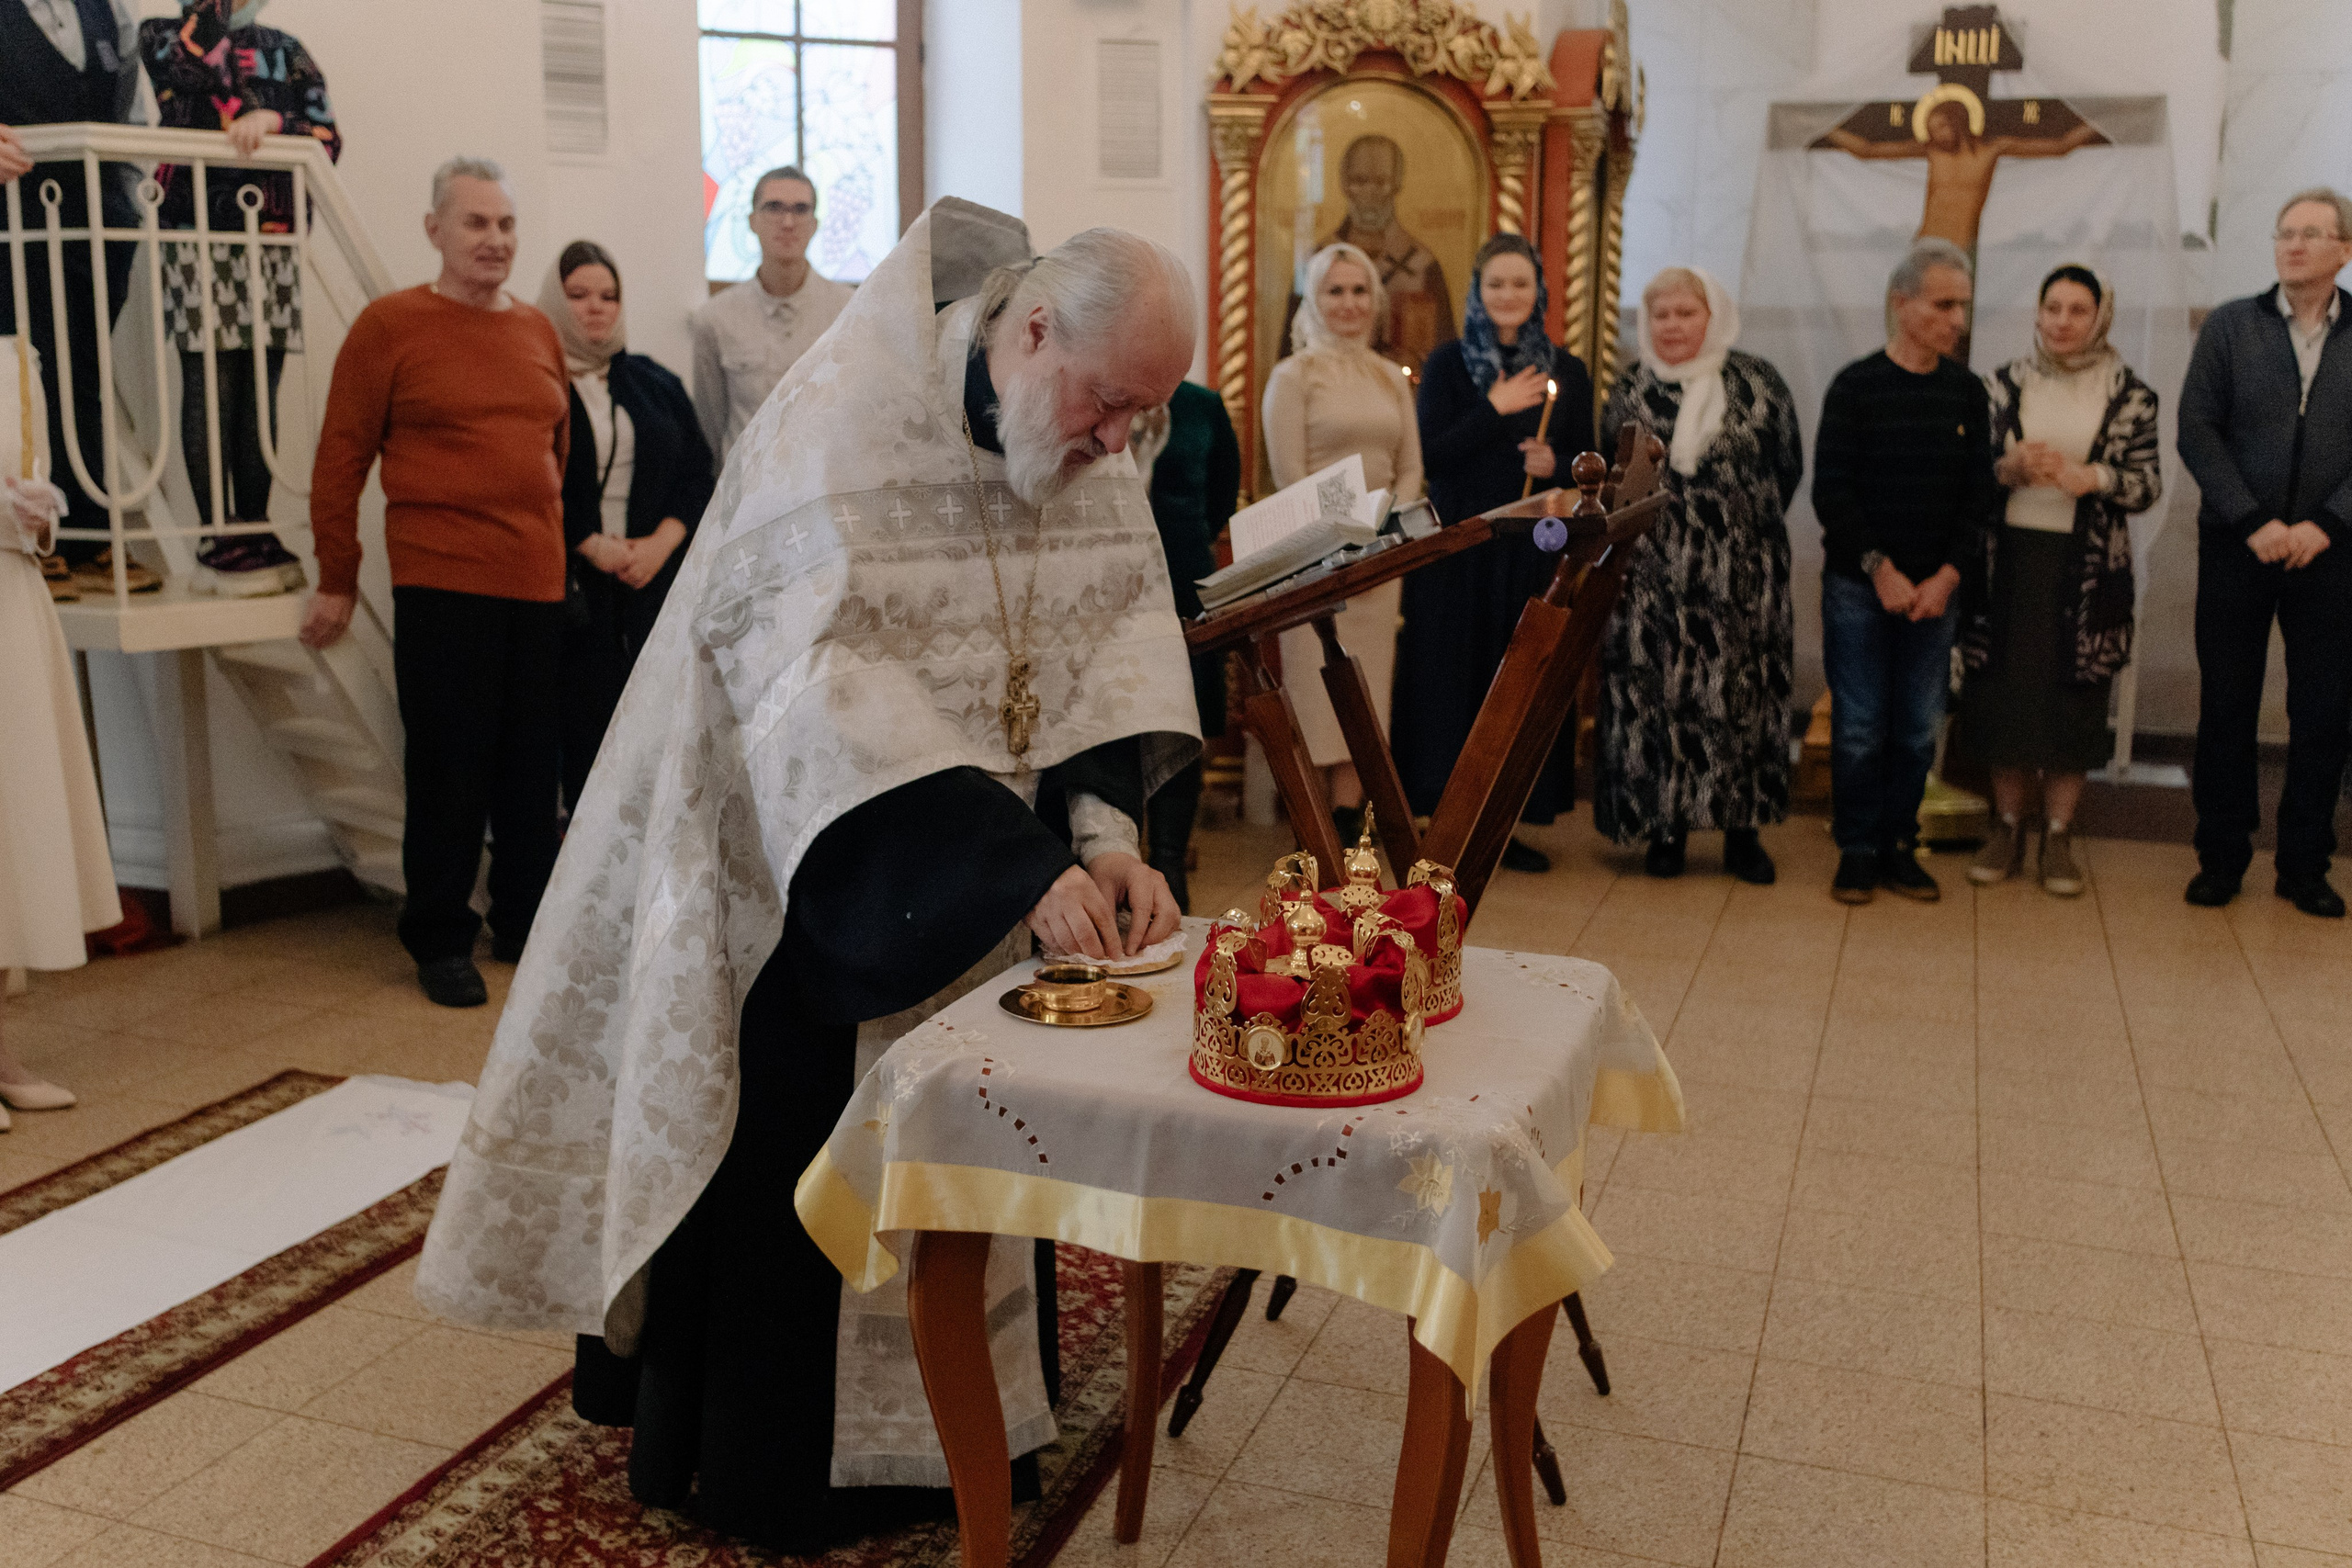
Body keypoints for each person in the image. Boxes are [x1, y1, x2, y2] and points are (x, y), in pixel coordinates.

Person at [413, 201, 1200, 1555]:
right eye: (1111, 403)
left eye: (1145, 413)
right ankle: (781, 1465)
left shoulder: (1085, 438)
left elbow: (1097, 649)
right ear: (1027, 331)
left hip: (985, 869)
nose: (1120, 441)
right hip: (812, 869)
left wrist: (1104, 836)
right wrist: (1013, 872)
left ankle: (975, 1420)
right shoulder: (842, 422)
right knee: (797, 1154)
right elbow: (821, 698)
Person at [300, 157, 570, 1007]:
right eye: (476, 224)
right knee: (451, 769)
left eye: (506, 226)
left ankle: (522, 921)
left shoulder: (536, 330)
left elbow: (553, 449)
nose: (495, 241)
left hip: (537, 581)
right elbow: (340, 456)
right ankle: (442, 937)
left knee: (533, 771)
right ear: (435, 232)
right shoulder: (390, 327)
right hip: (441, 581)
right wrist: (336, 576)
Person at [1391, 232, 1593, 874]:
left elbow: (1590, 461)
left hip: (1531, 553)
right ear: (1479, 293)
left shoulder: (1568, 370)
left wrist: (1554, 460)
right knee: (1452, 684)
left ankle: (1505, 826)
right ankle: (1440, 822)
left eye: (1521, 284)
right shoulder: (1450, 365)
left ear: (1540, 294)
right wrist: (1494, 408)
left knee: (1512, 689)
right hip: (1459, 550)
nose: (1509, 295)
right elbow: (1433, 453)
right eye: (1496, 284)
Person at [1597, 265, 1804, 883]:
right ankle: (1668, 831)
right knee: (1660, 704)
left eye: (1687, 313)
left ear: (1713, 317)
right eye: (1661, 315)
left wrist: (1733, 538)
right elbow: (1612, 476)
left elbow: (1787, 467)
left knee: (1743, 702)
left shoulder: (1759, 383)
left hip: (1744, 583)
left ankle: (1743, 834)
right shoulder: (1630, 390)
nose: (1674, 325)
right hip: (1652, 584)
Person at [2177, 187, 2352, 918]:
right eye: (2284, 232)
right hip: (2237, 545)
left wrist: (2328, 524)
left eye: (2312, 233)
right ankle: (2221, 855)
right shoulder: (2230, 327)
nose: (2294, 245)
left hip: (2332, 553)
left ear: (2344, 249)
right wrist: (2252, 519)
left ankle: (2305, 862)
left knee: (2323, 711)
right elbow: (2197, 428)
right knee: (2226, 705)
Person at [1962, 265, 2161, 897]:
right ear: (2037, 313)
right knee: (2006, 700)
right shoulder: (1999, 386)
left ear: (2099, 315)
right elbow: (1967, 475)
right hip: (2008, 567)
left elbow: (2147, 483)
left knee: (2074, 705)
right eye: (2053, 308)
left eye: (2079, 310)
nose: (2064, 321)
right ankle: (2007, 827)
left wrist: (2094, 478)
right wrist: (2007, 467)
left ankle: (2058, 835)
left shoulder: (2131, 394)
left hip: (2088, 573)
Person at [1812, 237, 1995, 905]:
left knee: (1917, 728)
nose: (1957, 321)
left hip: (1936, 589)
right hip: (1861, 588)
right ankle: (1857, 848)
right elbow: (1832, 491)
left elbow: (1980, 498)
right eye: (1944, 305)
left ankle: (1900, 844)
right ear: (1901, 303)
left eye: (1963, 307)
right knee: (1859, 725)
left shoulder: (1966, 394)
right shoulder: (1856, 387)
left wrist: (1946, 575)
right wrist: (1879, 568)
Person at [139, 0, 340, 597]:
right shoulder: (160, 34)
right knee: (209, 379)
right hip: (197, 232)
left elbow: (327, 137)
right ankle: (216, 535)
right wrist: (211, 18)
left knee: (261, 385)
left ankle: (254, 528)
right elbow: (183, 67)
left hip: (273, 237)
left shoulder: (287, 48)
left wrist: (277, 125)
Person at [538, 241, 715, 815]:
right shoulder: (537, 382)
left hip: (650, 578)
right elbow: (528, 477)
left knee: (657, 720)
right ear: (554, 301)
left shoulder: (651, 380)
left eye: (609, 296)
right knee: (581, 718)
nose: (596, 308)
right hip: (572, 584)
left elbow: (696, 471)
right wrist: (591, 544)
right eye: (579, 295)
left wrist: (660, 544)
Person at [1, 0, 159, 601]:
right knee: (20, 376)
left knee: (82, 370)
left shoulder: (108, 7)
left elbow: (136, 109)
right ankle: (33, 539)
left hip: (95, 213)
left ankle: (88, 536)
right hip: (8, 219)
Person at [1264, 242, 1424, 834]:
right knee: (1319, 691)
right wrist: (1343, 529)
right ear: (1314, 299)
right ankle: (1315, 826)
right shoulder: (1292, 375)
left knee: (1365, 690)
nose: (1349, 303)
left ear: (1375, 300)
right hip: (1316, 558)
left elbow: (1410, 464)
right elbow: (1289, 475)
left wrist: (1387, 520)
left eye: (1360, 291)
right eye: (1335, 291)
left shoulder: (1390, 377)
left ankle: (1351, 818)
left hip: (1381, 561)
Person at [1, 333, 118, 1129]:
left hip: (11, 601)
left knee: (16, 831)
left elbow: (32, 486)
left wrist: (39, 517)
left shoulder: (16, 359)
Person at [1130, 380, 1240, 911]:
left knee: (1183, 715)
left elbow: (1220, 494)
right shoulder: (1101, 393)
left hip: (1183, 580)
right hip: (1116, 583)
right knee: (1124, 716)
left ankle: (1170, 858)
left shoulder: (1203, 407)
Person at [690, 164, 854, 463]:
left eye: (800, 209)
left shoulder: (848, 311)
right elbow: (710, 425)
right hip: (745, 494)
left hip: (823, 487)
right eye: (774, 208)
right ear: (753, 221)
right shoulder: (715, 319)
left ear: (814, 223)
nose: (788, 222)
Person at [1313, 134, 1454, 375]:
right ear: (1344, 185)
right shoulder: (1318, 260)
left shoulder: (1423, 265)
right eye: (1360, 181)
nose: (1370, 192)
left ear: (1397, 184)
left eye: (1381, 182)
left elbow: (1444, 360)